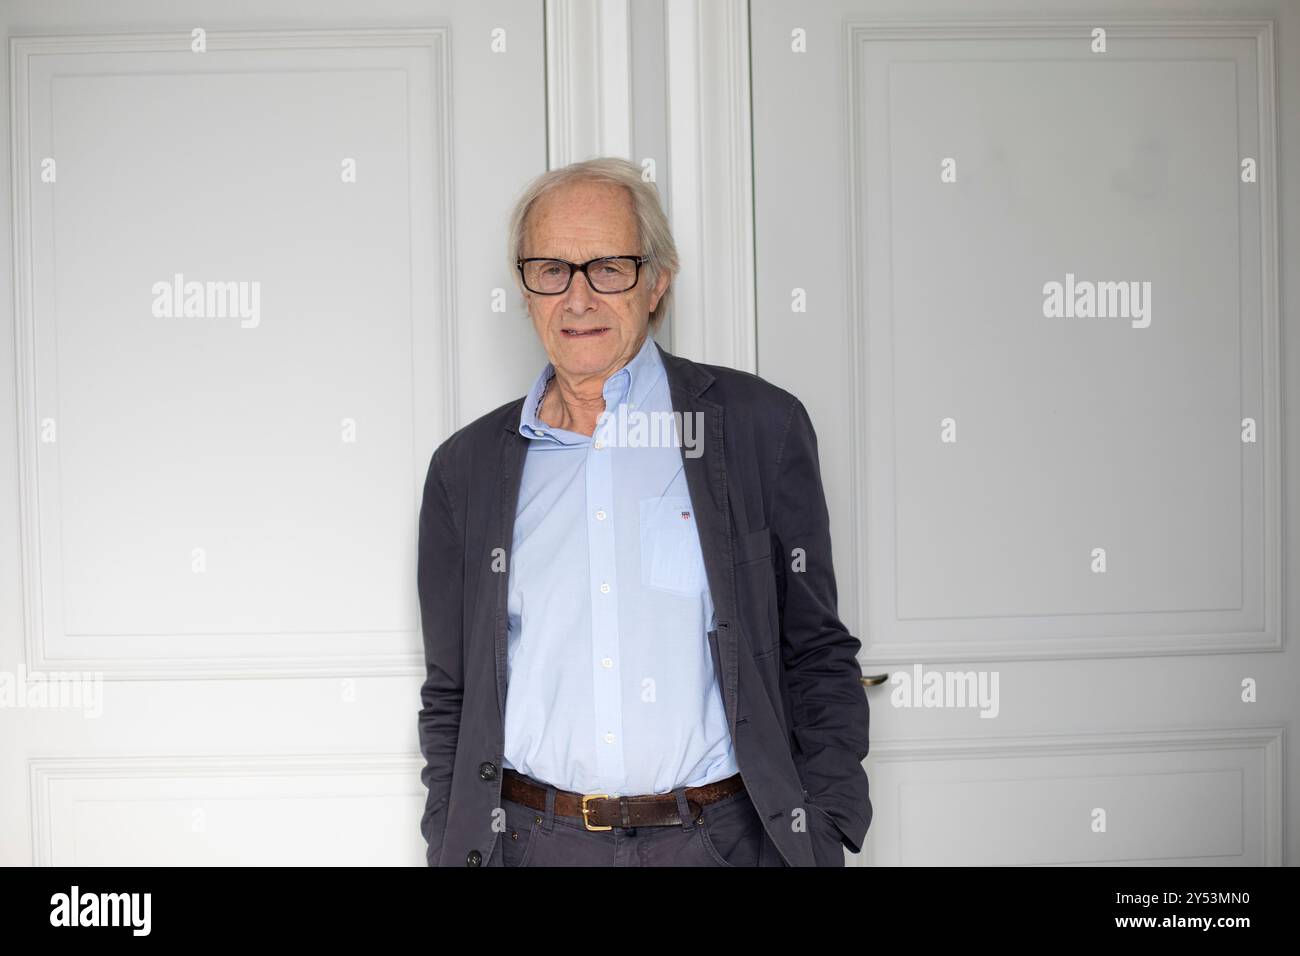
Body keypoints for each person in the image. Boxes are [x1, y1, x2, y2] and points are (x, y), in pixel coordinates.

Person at [417, 157, 870, 866]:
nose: (578, 297)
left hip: (721, 841)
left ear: (657, 281)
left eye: (609, 268)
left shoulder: (759, 429)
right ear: (526, 289)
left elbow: (815, 650)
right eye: (551, 269)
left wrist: (826, 821)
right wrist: (450, 839)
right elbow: (451, 691)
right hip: (533, 843)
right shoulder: (464, 470)